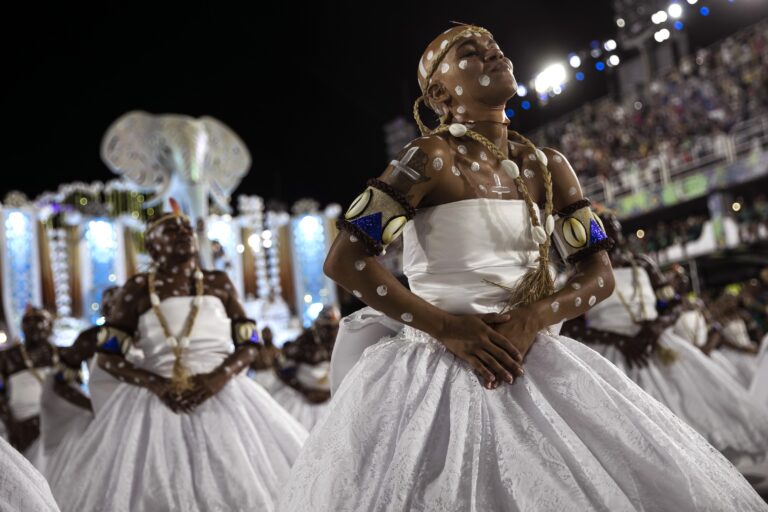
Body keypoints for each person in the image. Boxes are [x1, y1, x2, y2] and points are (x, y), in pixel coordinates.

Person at [277, 25, 767, 511]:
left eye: (494, 47)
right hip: (436, 366)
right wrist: (448, 328)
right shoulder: (428, 158)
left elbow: (598, 276)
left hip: (534, 353)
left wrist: (532, 319)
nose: (493, 54)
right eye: (470, 52)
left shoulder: (549, 165)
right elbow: (345, 259)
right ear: (441, 94)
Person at [52, 202, 307, 511]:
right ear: (151, 244)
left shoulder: (219, 282)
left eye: (187, 229)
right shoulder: (136, 290)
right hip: (157, 398)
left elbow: (250, 341)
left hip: (226, 391)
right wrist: (157, 384)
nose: (184, 234)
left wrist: (219, 378)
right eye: (172, 230)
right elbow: (108, 358)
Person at [564, 211, 768, 465]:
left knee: (690, 414)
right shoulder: (581, 277)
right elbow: (571, 327)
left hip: (659, 347)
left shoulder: (643, 265)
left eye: (614, 229)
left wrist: (655, 328)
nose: (609, 235)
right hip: (615, 358)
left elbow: (672, 304)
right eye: (601, 230)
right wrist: (621, 341)